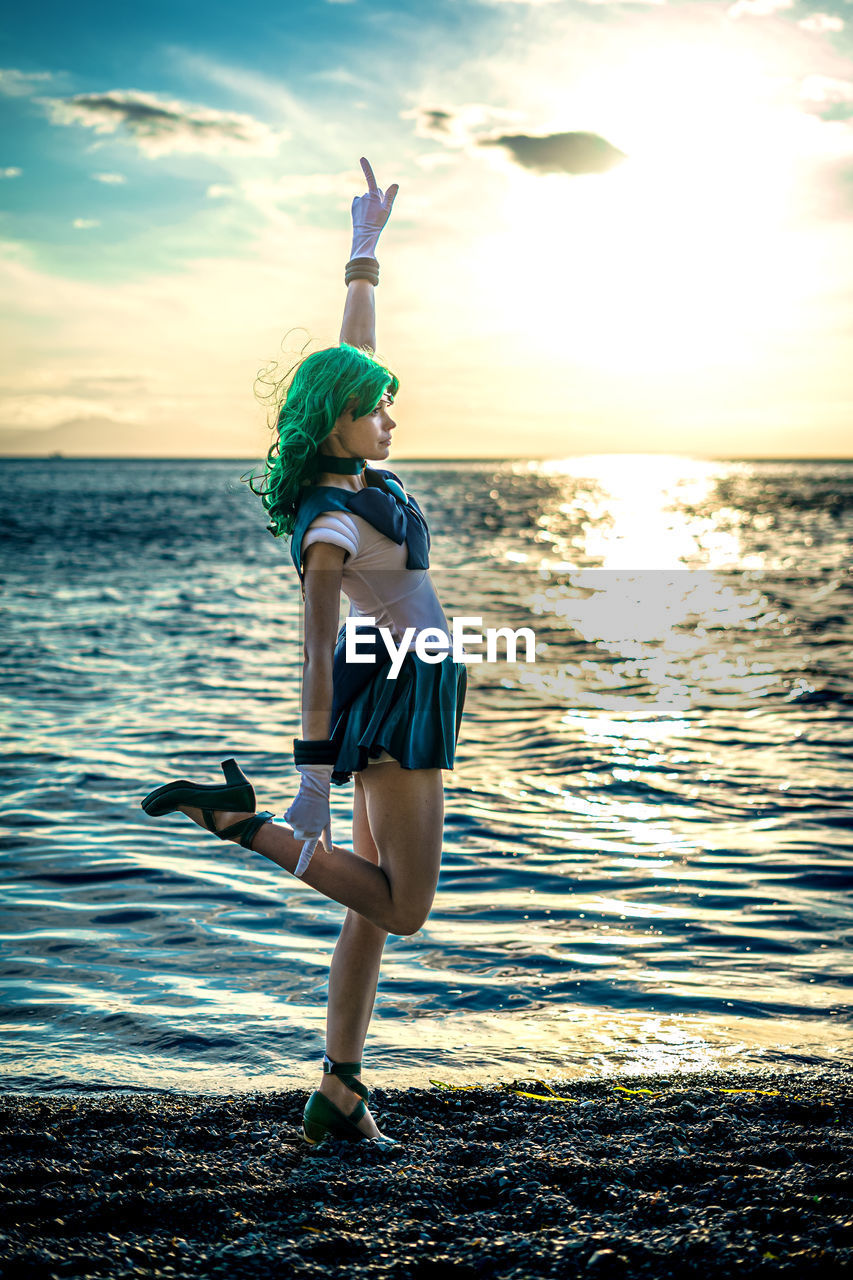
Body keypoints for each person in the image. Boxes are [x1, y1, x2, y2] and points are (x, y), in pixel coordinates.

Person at [141, 158, 466, 1150]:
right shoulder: (329, 525)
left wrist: (364, 251)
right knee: (402, 908)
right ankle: (245, 828)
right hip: (393, 698)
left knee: (366, 907)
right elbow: (316, 656)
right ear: (336, 423)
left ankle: (338, 1085)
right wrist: (310, 787)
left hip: (406, 685)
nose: (390, 417)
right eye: (375, 408)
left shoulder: (358, 466)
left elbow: (351, 357)